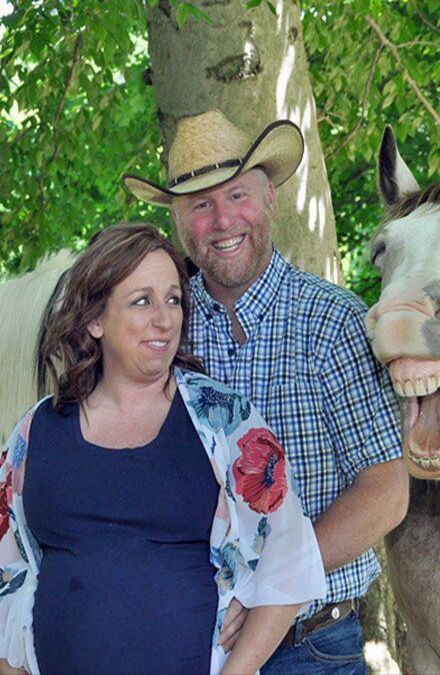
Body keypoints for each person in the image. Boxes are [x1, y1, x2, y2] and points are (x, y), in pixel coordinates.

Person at [122, 110, 408, 672]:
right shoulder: (162, 330)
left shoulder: (331, 322)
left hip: (312, 646)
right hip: (183, 643)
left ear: (270, 195)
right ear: (178, 220)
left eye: (237, 195)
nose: (223, 219)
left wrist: (267, 588)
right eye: (200, 204)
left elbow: (386, 492)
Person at [0, 223, 326, 674]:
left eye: (173, 299)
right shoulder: (35, 432)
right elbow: (6, 576)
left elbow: (289, 560)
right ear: (95, 320)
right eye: (142, 301)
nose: (164, 318)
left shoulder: (224, 422)